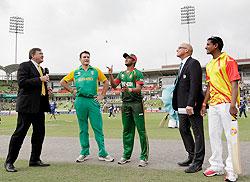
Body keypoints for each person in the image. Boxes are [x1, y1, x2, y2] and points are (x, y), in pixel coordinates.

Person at [60, 51, 114, 163]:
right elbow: (63, 82)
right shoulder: (75, 72)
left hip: (92, 101)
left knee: (97, 128)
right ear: (80, 59)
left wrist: (102, 95)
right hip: (80, 101)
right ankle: (84, 152)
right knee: (83, 128)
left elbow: (106, 82)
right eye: (84, 57)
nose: (86, 58)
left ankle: (102, 153)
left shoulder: (96, 71)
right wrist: (71, 90)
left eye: (88, 57)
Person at [201, 36, 241, 182]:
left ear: (216, 46)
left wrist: (232, 104)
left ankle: (232, 170)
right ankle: (216, 166)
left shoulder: (229, 60)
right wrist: (204, 103)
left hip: (226, 104)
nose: (205, 47)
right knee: (214, 135)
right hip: (214, 105)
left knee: (231, 137)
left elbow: (234, 83)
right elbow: (210, 86)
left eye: (208, 44)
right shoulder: (210, 65)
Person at [4, 48, 51, 172]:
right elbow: (22, 82)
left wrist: (46, 89)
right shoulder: (25, 66)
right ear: (32, 55)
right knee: (20, 134)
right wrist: (40, 80)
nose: (42, 55)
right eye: (40, 53)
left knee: (39, 134)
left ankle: (35, 159)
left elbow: (38, 86)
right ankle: (9, 162)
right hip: (27, 106)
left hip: (40, 106)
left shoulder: (42, 69)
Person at [107, 53, 149, 167]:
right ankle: (126, 155)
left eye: (128, 58)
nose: (126, 59)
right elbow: (114, 86)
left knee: (141, 130)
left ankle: (144, 157)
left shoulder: (137, 73)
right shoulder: (121, 74)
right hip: (125, 104)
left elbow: (138, 89)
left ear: (134, 61)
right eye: (125, 58)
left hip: (136, 104)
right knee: (127, 130)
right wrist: (110, 74)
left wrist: (129, 89)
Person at [172, 43, 205, 173]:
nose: (177, 49)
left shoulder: (193, 63)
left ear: (187, 50)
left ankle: (198, 162)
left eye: (179, 47)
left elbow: (195, 85)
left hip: (191, 105)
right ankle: (191, 156)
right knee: (183, 129)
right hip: (181, 105)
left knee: (198, 133)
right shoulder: (182, 65)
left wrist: (191, 103)